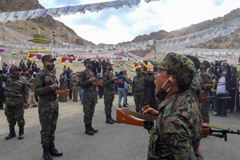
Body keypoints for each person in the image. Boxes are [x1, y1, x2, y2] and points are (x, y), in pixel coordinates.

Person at [144, 52, 202, 160]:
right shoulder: (187, 99)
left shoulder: (172, 119)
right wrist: (160, 116)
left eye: (159, 72)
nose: (155, 77)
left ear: (169, 81)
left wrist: (167, 119)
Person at [34, 55, 62, 160]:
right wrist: (50, 87)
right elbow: (37, 91)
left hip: (54, 104)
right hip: (45, 105)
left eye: (53, 62)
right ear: (44, 63)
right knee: (46, 129)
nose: (52, 64)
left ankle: (52, 148)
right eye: (50, 62)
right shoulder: (40, 75)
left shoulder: (52, 74)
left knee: (52, 127)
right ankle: (45, 151)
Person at [4, 66, 29, 140]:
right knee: (10, 117)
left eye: (19, 71)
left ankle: (21, 132)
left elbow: (26, 92)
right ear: (12, 72)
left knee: (20, 118)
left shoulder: (23, 80)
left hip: (18, 102)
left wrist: (26, 102)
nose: (18, 72)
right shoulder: (7, 79)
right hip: (8, 101)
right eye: (16, 71)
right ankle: (12, 133)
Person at [79, 59, 98, 135]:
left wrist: (96, 81)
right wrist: (88, 81)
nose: (91, 64)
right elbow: (80, 83)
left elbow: (93, 81)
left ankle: (90, 126)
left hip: (93, 94)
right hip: (87, 95)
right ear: (86, 64)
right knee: (87, 112)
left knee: (91, 111)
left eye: (91, 63)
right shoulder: (83, 73)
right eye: (89, 63)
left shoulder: (92, 72)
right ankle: (87, 128)